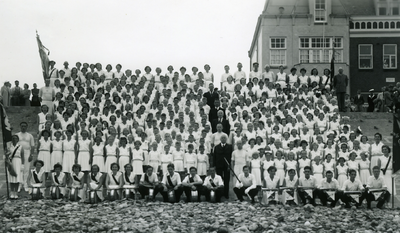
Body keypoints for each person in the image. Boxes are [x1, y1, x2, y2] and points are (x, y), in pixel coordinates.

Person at [16, 122, 35, 192]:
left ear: (27, 127)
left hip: (27, 152)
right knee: (20, 169)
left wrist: (31, 155)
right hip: (19, 153)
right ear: (20, 127)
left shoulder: (30, 136)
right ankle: (19, 184)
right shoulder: (17, 135)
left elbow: (32, 146)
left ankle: (25, 184)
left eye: (24, 126)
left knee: (26, 169)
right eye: (22, 126)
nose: (23, 127)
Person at [6, 135, 24, 199]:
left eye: (16, 138)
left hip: (18, 161)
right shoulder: (9, 147)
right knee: (11, 177)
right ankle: (12, 192)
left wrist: (22, 165)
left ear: (18, 140)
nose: (14, 139)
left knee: (17, 177)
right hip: (11, 162)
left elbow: (22, 156)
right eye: (13, 138)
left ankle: (16, 192)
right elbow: (6, 155)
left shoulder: (20, 146)